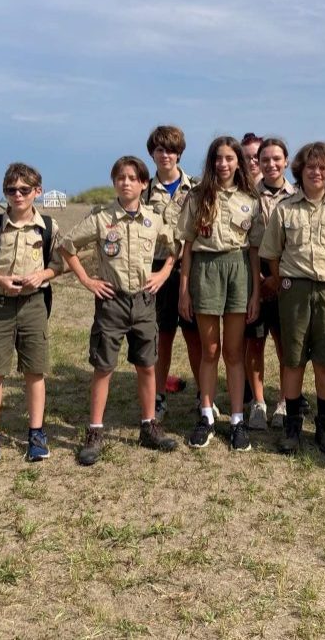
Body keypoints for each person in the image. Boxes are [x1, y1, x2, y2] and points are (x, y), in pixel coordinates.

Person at [59, 156, 181, 465]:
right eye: (120, 178)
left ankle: (148, 425)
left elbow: (176, 245)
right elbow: (67, 245)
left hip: (143, 302)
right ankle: (95, 430)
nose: (125, 182)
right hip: (111, 302)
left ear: (143, 184)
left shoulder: (153, 219)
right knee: (103, 367)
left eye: (131, 178)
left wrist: (165, 272)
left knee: (147, 365)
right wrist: (87, 280)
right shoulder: (101, 218)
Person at [259, 142, 325, 454]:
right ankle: (291, 427)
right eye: (310, 167)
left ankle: (324, 426)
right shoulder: (285, 209)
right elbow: (272, 254)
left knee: (324, 361)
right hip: (294, 290)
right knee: (292, 360)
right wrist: (282, 281)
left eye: (322, 168)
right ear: (300, 171)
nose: (316, 172)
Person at [0, 163, 63, 463]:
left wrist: (42, 275)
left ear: (37, 191)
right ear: (4, 192)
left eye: (24, 190)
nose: (17, 195)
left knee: (35, 370)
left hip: (34, 304)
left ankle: (36, 433)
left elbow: (60, 263)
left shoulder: (49, 227)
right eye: (11, 190)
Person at [178, 136, 265, 450]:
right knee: (210, 350)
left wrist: (254, 292)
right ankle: (206, 415)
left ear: (238, 162)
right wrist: (184, 291)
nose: (223, 164)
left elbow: (254, 250)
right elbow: (187, 247)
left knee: (234, 352)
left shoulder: (250, 199)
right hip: (205, 269)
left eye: (230, 158)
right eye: (218, 158)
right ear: (211, 161)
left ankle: (238, 420)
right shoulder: (198, 196)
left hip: (239, 270)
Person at [144, 125, 202, 421]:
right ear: (152, 153)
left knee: (195, 336)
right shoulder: (143, 190)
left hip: (189, 268)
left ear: (180, 153)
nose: (165, 155)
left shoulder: (197, 188)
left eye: (171, 150)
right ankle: (157, 396)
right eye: (160, 149)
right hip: (155, 271)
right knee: (161, 336)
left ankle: (203, 396)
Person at [245, 138, 297, 429]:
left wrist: (277, 279)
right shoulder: (249, 196)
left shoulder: (297, 195)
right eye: (264, 159)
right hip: (255, 276)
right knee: (255, 342)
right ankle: (259, 402)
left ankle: (283, 403)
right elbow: (248, 244)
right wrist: (259, 282)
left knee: (284, 345)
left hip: (286, 279)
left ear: (286, 161)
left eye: (276, 159)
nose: (270, 164)